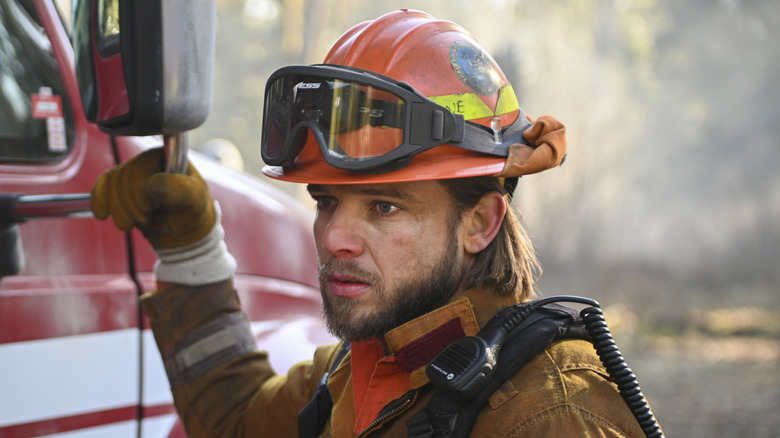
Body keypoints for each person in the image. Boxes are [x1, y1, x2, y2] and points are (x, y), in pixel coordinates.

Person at [91, 9, 648, 437]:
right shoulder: (365, 366)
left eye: (384, 207)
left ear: (479, 222)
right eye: (327, 202)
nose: (334, 238)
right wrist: (192, 251)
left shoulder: (552, 412)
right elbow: (238, 423)